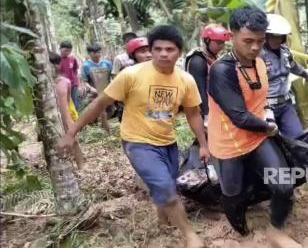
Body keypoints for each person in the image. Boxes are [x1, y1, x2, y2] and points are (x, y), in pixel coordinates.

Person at [59, 25, 208, 248]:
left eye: (170, 49)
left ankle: (162, 220)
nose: (163, 54)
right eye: (158, 49)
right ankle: (189, 235)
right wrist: (71, 132)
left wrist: (204, 144)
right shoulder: (131, 75)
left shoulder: (185, 80)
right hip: (137, 143)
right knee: (165, 188)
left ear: (179, 51)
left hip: (168, 142)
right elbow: (100, 103)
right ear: (151, 50)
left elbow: (193, 113)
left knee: (167, 184)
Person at [208, 6, 301, 248]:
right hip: (228, 143)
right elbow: (239, 116)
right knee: (234, 194)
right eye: (248, 41)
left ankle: (276, 229)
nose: (255, 47)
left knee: (283, 185)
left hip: (256, 137)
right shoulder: (222, 70)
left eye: (260, 41)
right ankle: (242, 233)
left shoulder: (259, 62)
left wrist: (268, 114)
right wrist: (270, 127)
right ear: (232, 35)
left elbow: (260, 101)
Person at [261, 14, 308, 139]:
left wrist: (306, 75)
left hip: (285, 104)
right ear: (266, 36)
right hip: (265, 106)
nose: (276, 40)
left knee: (297, 137)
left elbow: (294, 66)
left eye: (280, 37)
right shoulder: (258, 55)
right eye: (273, 36)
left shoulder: (285, 52)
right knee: (271, 142)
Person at [185, 24, 230, 121]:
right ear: (207, 40)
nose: (221, 46)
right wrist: (206, 115)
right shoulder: (198, 61)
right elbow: (200, 89)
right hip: (202, 110)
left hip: (215, 108)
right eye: (218, 43)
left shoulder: (212, 57)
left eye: (223, 43)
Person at [49, 51, 84, 169]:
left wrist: (68, 121)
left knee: (74, 140)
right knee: (56, 141)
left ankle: (81, 166)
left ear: (59, 65)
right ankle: (68, 166)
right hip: (52, 116)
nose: (53, 66)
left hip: (67, 112)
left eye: (55, 63)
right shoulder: (43, 85)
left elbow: (67, 102)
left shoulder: (64, 82)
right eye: (50, 63)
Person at [114, 37, 153, 123]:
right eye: (143, 51)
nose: (149, 55)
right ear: (133, 55)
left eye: (150, 51)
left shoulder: (160, 73)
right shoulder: (127, 75)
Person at [82, 43, 113, 133]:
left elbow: (111, 77)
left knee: (110, 110)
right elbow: (85, 81)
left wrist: (111, 85)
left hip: (107, 90)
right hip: (94, 92)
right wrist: (92, 89)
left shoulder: (107, 63)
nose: (97, 54)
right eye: (94, 53)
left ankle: (104, 124)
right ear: (89, 54)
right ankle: (102, 128)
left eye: (98, 52)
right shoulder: (86, 66)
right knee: (97, 111)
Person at [59, 41, 81, 110]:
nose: (67, 52)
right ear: (60, 48)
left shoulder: (72, 59)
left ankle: (78, 117)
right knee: (66, 102)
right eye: (66, 50)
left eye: (69, 51)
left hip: (73, 84)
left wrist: (78, 83)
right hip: (63, 85)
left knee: (75, 101)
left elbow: (75, 71)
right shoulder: (57, 60)